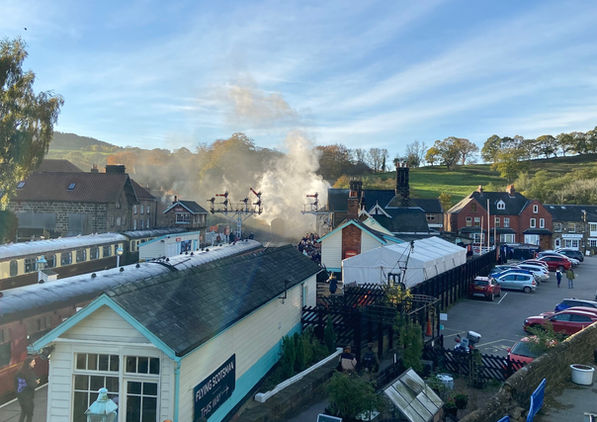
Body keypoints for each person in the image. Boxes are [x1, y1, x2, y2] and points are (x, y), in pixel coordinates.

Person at [15, 356, 40, 422]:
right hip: (28, 397)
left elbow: (15, 384)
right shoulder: (30, 373)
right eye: (33, 362)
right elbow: (32, 385)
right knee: (29, 414)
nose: (35, 363)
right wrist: (36, 382)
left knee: (23, 413)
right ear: (29, 363)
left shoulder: (19, 372)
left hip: (20, 396)